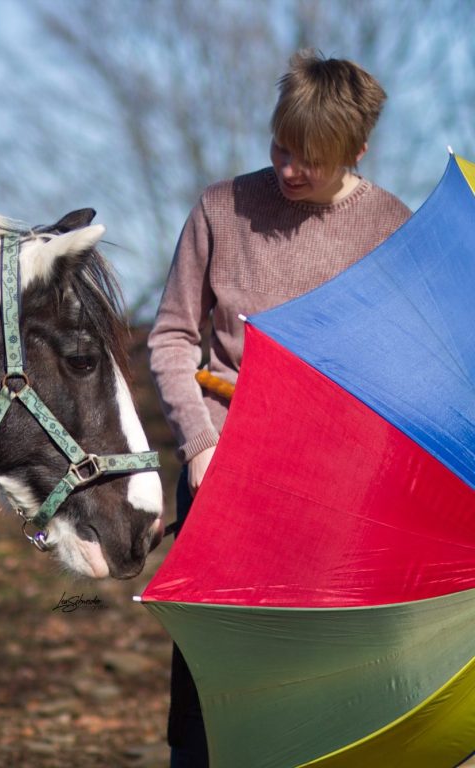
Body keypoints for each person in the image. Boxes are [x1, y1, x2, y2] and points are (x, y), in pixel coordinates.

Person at [148, 50, 412, 768]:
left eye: (313, 161)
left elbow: (399, 370)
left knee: (319, 701)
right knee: (211, 702)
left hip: (334, 500)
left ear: (356, 151)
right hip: (222, 482)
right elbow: (172, 337)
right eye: (280, 148)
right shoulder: (219, 208)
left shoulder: (390, 227)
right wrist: (200, 446)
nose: (290, 170)